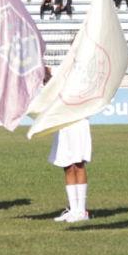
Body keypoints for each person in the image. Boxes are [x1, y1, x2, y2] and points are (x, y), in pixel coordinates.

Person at [46, 69, 91, 223]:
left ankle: (82, 210)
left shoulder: (86, 74)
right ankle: (73, 209)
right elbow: (54, 90)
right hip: (63, 122)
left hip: (78, 121)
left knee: (78, 164)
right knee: (67, 165)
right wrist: (47, 77)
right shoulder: (64, 70)